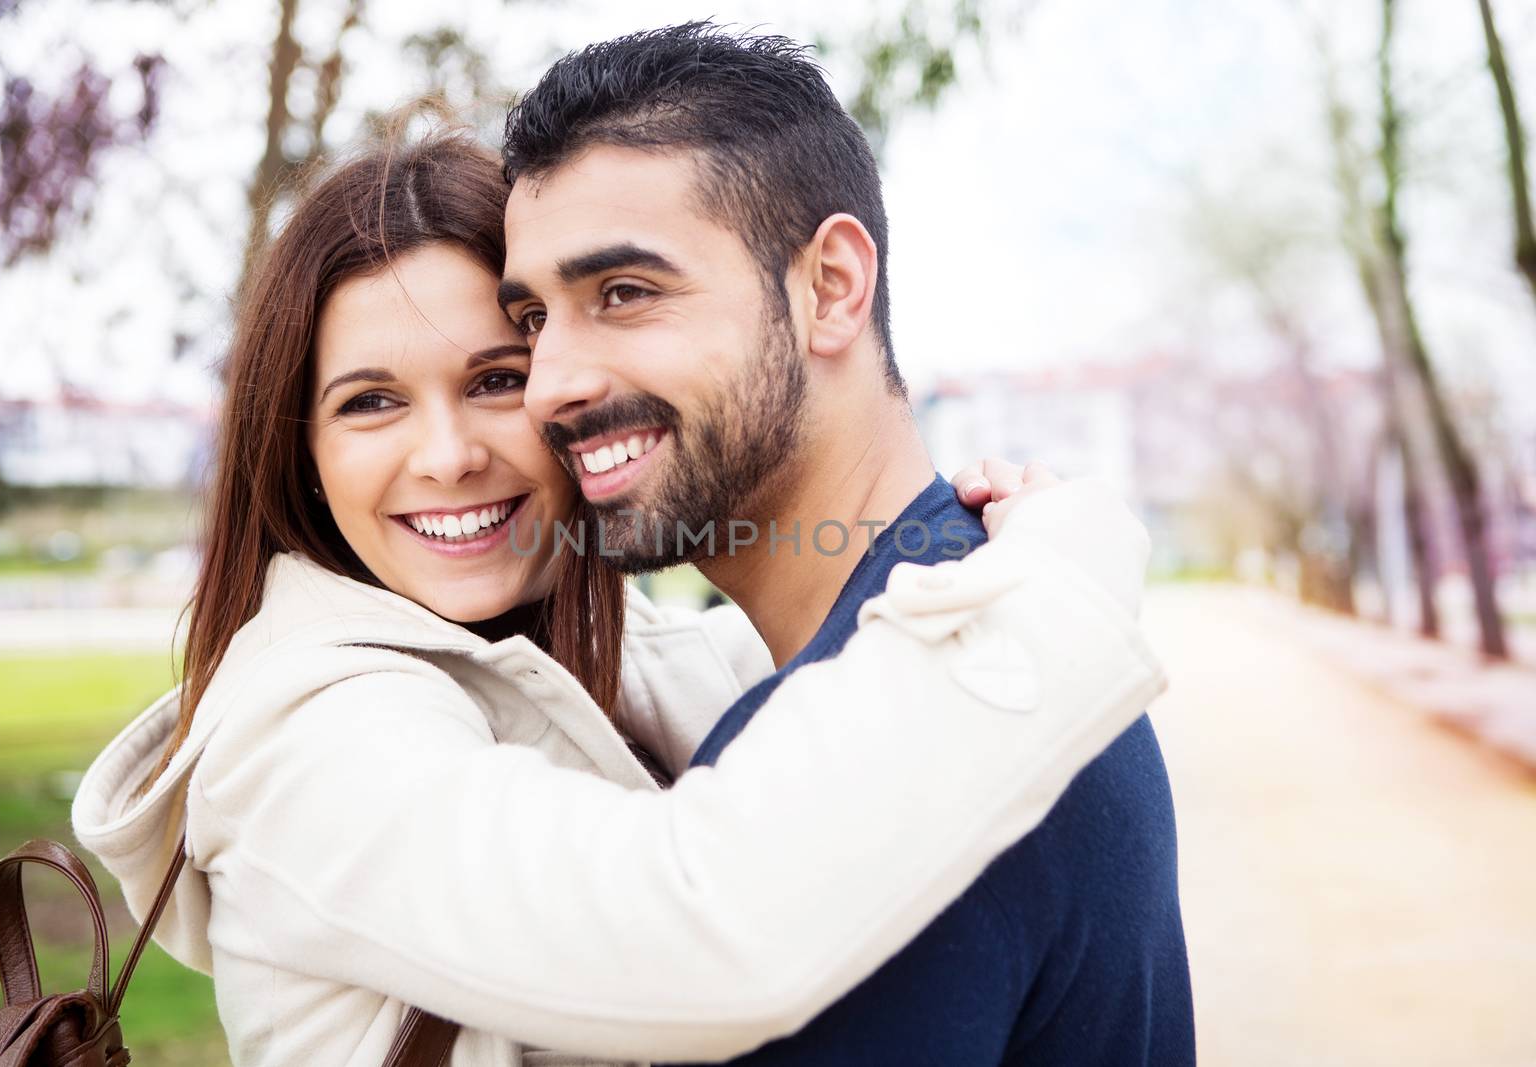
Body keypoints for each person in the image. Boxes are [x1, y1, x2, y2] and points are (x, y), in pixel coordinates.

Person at [70, 122, 1164, 1067]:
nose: (447, 454)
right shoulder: (301, 738)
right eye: (371, 403)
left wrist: (980, 557)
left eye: (495, 379)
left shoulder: (653, 660)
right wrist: (1054, 583)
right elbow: (704, 922)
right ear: (299, 450)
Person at [498, 23, 1195, 1066]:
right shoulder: (997, 634)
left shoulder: (879, 762)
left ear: (830, 285)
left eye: (625, 293)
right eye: (531, 317)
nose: (551, 381)